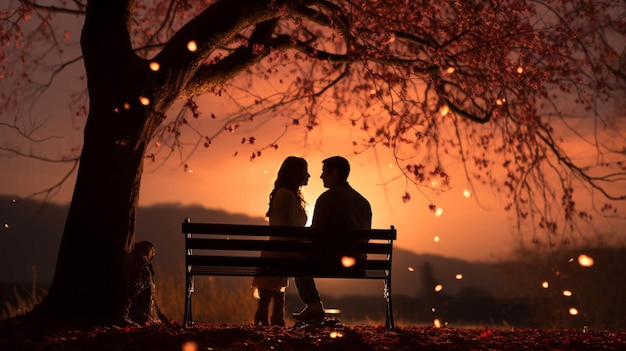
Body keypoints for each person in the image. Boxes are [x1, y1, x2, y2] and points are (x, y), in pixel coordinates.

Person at [292, 156, 372, 322]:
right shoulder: (363, 201)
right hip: (359, 263)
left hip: (332, 262)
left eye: (324, 172)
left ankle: (314, 306)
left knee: (296, 260)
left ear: (334, 173)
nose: (321, 176)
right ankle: (313, 308)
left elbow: (316, 234)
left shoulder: (326, 198)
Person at [252, 156, 310, 326]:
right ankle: (272, 314)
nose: (309, 176)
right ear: (296, 174)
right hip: (282, 250)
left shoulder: (283, 194)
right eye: (305, 172)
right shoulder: (286, 195)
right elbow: (290, 229)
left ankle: (268, 313)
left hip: (277, 250)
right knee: (291, 263)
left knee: (277, 270)